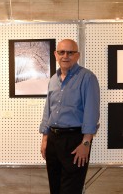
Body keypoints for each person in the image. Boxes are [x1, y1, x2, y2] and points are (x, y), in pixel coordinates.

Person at [39, 39, 100, 194]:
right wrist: (45, 139)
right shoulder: (53, 79)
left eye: (70, 52)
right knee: (55, 188)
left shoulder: (87, 78)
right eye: (61, 52)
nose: (65, 56)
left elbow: (91, 112)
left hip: (75, 141)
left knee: (70, 190)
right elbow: (48, 110)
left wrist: (86, 143)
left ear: (77, 55)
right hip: (53, 139)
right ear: (55, 55)